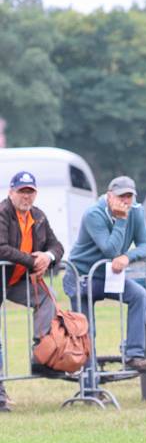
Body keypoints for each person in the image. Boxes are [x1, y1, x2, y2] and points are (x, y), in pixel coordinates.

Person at [63, 176, 146, 372]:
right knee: (86, 328)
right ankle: (89, 377)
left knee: (139, 296)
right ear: (109, 196)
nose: (125, 201)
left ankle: (133, 355)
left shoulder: (136, 211)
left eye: (129, 196)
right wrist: (121, 219)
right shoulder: (93, 214)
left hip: (108, 276)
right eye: (120, 196)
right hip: (81, 277)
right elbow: (110, 250)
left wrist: (127, 257)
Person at [0, 171, 65, 410]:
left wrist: (48, 257)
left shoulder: (38, 216)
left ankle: (40, 355)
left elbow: (57, 246)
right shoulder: (2, 212)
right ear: (11, 192)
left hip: (16, 281)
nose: (26, 196)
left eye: (30, 191)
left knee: (48, 297)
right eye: (22, 191)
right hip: (4, 277)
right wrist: (32, 261)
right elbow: (1, 248)